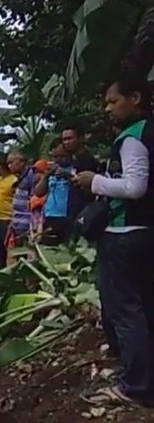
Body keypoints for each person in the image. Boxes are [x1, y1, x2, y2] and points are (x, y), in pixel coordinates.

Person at [74, 75, 154, 407]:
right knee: (145, 308)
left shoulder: (133, 137)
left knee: (126, 312)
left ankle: (137, 386)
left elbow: (134, 187)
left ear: (135, 98)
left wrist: (95, 182)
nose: (107, 109)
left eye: (112, 101)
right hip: (147, 233)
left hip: (124, 234)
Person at [34, 140, 75, 245]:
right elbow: (38, 192)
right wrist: (46, 176)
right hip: (50, 216)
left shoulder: (74, 170)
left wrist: (67, 175)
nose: (58, 160)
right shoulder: (50, 172)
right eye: (55, 157)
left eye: (62, 156)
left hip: (68, 217)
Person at [62, 127, 102, 221]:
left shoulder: (88, 160)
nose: (66, 142)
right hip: (73, 210)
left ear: (80, 138)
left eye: (70, 138)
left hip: (85, 211)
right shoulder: (73, 160)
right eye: (64, 139)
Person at [7, 151, 41, 247]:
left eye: (11, 163)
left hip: (27, 224)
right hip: (18, 223)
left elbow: (35, 200)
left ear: (21, 162)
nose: (9, 166)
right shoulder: (21, 177)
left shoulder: (31, 176)